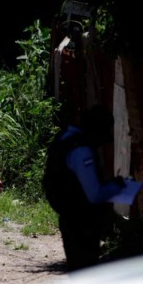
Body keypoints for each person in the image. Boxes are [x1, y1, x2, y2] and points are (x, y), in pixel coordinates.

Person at [42, 105, 126, 272]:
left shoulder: (66, 137)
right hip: (82, 222)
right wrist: (117, 187)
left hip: (69, 217)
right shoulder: (81, 150)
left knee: (78, 273)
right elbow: (94, 194)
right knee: (85, 274)